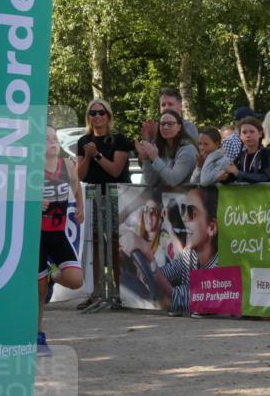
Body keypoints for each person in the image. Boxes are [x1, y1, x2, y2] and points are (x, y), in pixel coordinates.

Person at [74, 98, 132, 311]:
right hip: (93, 195)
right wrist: (87, 157)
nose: (97, 116)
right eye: (92, 113)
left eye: (101, 112)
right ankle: (97, 292)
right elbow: (79, 174)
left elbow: (116, 170)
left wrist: (96, 154)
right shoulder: (83, 141)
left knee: (116, 243)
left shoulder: (118, 139)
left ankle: (118, 292)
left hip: (116, 195)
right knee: (95, 242)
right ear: (88, 117)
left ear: (108, 116)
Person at [38, 126, 84, 354]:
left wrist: (81, 208)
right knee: (38, 290)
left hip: (57, 233)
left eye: (54, 137)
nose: (52, 141)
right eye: (46, 139)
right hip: (36, 235)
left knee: (76, 280)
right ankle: (38, 335)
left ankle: (53, 275)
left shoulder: (67, 165)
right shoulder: (30, 169)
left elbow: (77, 188)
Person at [141, 186, 218, 315]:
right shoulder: (190, 255)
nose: (184, 218)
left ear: (211, 227)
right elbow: (165, 274)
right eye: (182, 210)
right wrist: (147, 271)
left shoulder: (220, 264)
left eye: (191, 212)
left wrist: (147, 256)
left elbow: (181, 297)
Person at [137, 109, 198, 188]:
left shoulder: (188, 150)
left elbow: (173, 180)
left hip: (187, 198)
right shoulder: (161, 147)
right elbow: (151, 182)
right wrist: (145, 160)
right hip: (165, 198)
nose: (165, 127)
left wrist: (155, 158)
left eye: (170, 124)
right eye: (162, 124)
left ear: (179, 127)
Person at [226, 116, 270, 183]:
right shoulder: (241, 156)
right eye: (244, 132)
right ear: (240, 136)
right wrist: (223, 177)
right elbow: (232, 177)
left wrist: (238, 173)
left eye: (252, 132)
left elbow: (265, 177)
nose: (248, 135)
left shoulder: (268, 153)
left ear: (260, 134)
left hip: (264, 193)